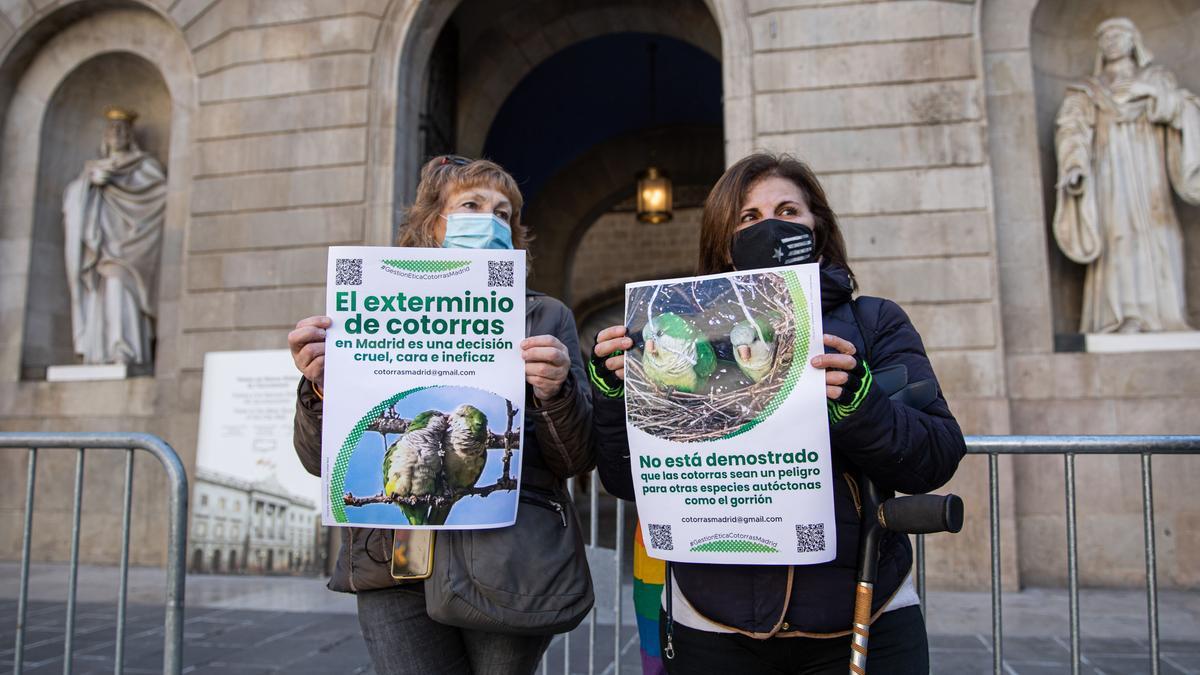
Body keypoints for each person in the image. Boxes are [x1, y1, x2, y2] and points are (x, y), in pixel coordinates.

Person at [588, 153, 966, 673]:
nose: (770, 226)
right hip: (714, 619)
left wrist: (859, 402)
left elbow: (936, 456)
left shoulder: (874, 322)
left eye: (788, 210)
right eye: (749, 217)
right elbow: (627, 479)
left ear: (817, 227)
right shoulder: (684, 338)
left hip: (863, 609)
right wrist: (614, 396)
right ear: (725, 240)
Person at [289, 155, 594, 675]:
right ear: (433, 223)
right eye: (470, 206)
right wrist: (319, 388)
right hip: (393, 557)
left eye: (503, 213)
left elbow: (576, 456)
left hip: (507, 554)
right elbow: (321, 459)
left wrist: (556, 391)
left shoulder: (545, 316)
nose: (490, 220)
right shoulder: (371, 305)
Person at [1052, 17, 1200, 334]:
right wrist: (1074, 165)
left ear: (1134, 41)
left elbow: (1186, 110)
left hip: (1149, 172)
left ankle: (1164, 314)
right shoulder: (1088, 90)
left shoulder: (1156, 78)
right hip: (1108, 176)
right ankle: (1120, 316)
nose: (1112, 41)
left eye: (1119, 34)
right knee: (1117, 237)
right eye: (1105, 36)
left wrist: (1148, 92)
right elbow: (1072, 129)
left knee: (1159, 235)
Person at [63, 107, 167, 365]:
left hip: (131, 246)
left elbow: (159, 196)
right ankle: (99, 350)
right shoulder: (92, 170)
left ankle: (125, 349)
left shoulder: (145, 166)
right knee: (103, 292)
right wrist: (90, 184)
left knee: (120, 286)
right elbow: (71, 203)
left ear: (130, 135)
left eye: (122, 129)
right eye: (112, 129)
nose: (117, 133)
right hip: (100, 244)